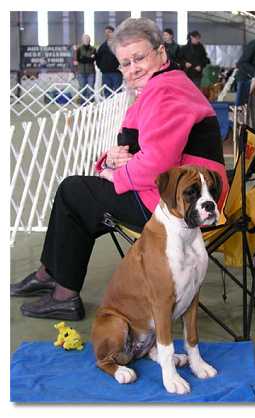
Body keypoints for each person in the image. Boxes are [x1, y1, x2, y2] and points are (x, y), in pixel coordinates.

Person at [11, 17, 229, 321]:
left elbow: (157, 162)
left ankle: (61, 289)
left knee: (74, 192)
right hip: (173, 191)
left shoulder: (166, 92)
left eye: (139, 58)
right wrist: (110, 160)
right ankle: (51, 275)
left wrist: (113, 175)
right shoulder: (163, 84)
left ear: (161, 53)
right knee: (83, 195)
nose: (132, 69)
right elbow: (140, 148)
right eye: (125, 63)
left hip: (180, 201)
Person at [96, 25, 123, 98]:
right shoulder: (102, 46)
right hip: (105, 73)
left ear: (113, 33)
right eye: (106, 33)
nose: (107, 34)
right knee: (107, 92)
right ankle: (108, 108)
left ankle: (119, 106)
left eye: (109, 32)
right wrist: (101, 67)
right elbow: (98, 57)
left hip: (116, 73)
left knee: (118, 92)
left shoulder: (118, 45)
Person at [76, 34, 97, 104]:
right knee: (82, 89)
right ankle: (83, 106)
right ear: (82, 40)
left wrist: (85, 58)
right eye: (85, 39)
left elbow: (93, 59)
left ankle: (91, 105)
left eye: (88, 39)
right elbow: (78, 59)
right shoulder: (78, 49)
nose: (87, 40)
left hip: (91, 72)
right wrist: (88, 58)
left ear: (90, 40)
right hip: (81, 72)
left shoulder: (93, 49)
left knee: (90, 90)